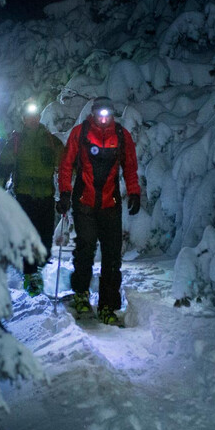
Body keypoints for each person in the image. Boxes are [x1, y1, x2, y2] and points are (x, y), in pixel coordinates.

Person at [57, 97, 141, 325]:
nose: (103, 118)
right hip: (84, 202)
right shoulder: (80, 133)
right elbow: (66, 164)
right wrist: (65, 193)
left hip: (110, 203)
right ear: (93, 114)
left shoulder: (121, 136)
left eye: (107, 114)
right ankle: (82, 294)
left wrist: (134, 192)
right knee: (85, 247)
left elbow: (130, 166)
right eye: (99, 114)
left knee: (112, 255)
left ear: (112, 115)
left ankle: (107, 305)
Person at [0, 103, 65, 296]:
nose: (32, 120)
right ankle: (30, 275)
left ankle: (39, 270)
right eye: (28, 116)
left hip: (46, 196)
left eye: (35, 116)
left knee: (45, 237)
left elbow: (66, 164)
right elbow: (3, 166)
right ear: (23, 119)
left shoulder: (50, 141)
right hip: (25, 196)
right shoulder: (17, 140)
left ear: (39, 118)